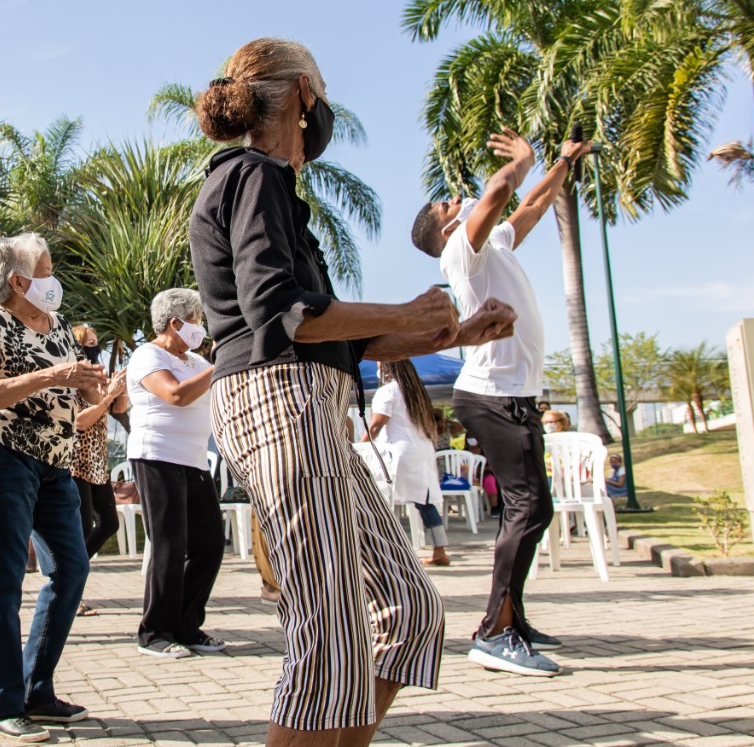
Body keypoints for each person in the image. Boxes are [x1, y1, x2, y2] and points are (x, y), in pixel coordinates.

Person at [190, 37, 518, 746]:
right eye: (325, 90)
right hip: (279, 400)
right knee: (329, 634)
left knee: (406, 609)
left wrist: (453, 334)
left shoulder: (270, 188)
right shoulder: (252, 176)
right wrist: (405, 314)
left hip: (311, 402)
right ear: (305, 94)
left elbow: (335, 336)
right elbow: (284, 312)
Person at [411, 126, 591, 678]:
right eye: (448, 202)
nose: (457, 197)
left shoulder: (492, 247)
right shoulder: (462, 255)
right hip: (491, 397)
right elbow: (497, 196)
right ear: (446, 227)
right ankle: (495, 631)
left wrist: (560, 164)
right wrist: (524, 158)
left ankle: (510, 618)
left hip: (513, 397)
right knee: (530, 506)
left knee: (533, 508)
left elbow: (531, 206)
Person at [0, 232, 107, 743]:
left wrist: (90, 382)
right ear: (19, 280)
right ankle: (4, 704)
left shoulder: (60, 325)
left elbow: (70, 381)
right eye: (46, 270)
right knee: (4, 581)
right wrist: (54, 375)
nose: (54, 279)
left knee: (71, 568)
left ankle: (36, 689)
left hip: (55, 461)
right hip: (1, 453)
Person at [127, 288, 225, 660]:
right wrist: (221, 364)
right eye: (197, 320)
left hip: (194, 461)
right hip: (157, 457)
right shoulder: (146, 355)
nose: (200, 327)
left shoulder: (196, 362)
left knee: (210, 544)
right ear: (175, 322)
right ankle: (154, 632)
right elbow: (176, 395)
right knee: (169, 546)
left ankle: (187, 625)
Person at [68, 324, 127, 618]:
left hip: (96, 461)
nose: (95, 348)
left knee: (108, 524)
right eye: (88, 344)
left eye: (96, 343)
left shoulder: (100, 377)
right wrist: (107, 397)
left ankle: (72, 573)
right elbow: (80, 421)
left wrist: (119, 390)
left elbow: (117, 410)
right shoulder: (73, 380)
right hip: (75, 461)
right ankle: (71, 591)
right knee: (80, 529)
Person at [368, 361, 449, 567]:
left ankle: (389, 552)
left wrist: (360, 446)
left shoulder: (388, 390)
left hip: (398, 452)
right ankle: (439, 550)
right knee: (425, 501)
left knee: (382, 501)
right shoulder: (416, 392)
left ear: (387, 367)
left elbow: (377, 423)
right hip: (422, 450)